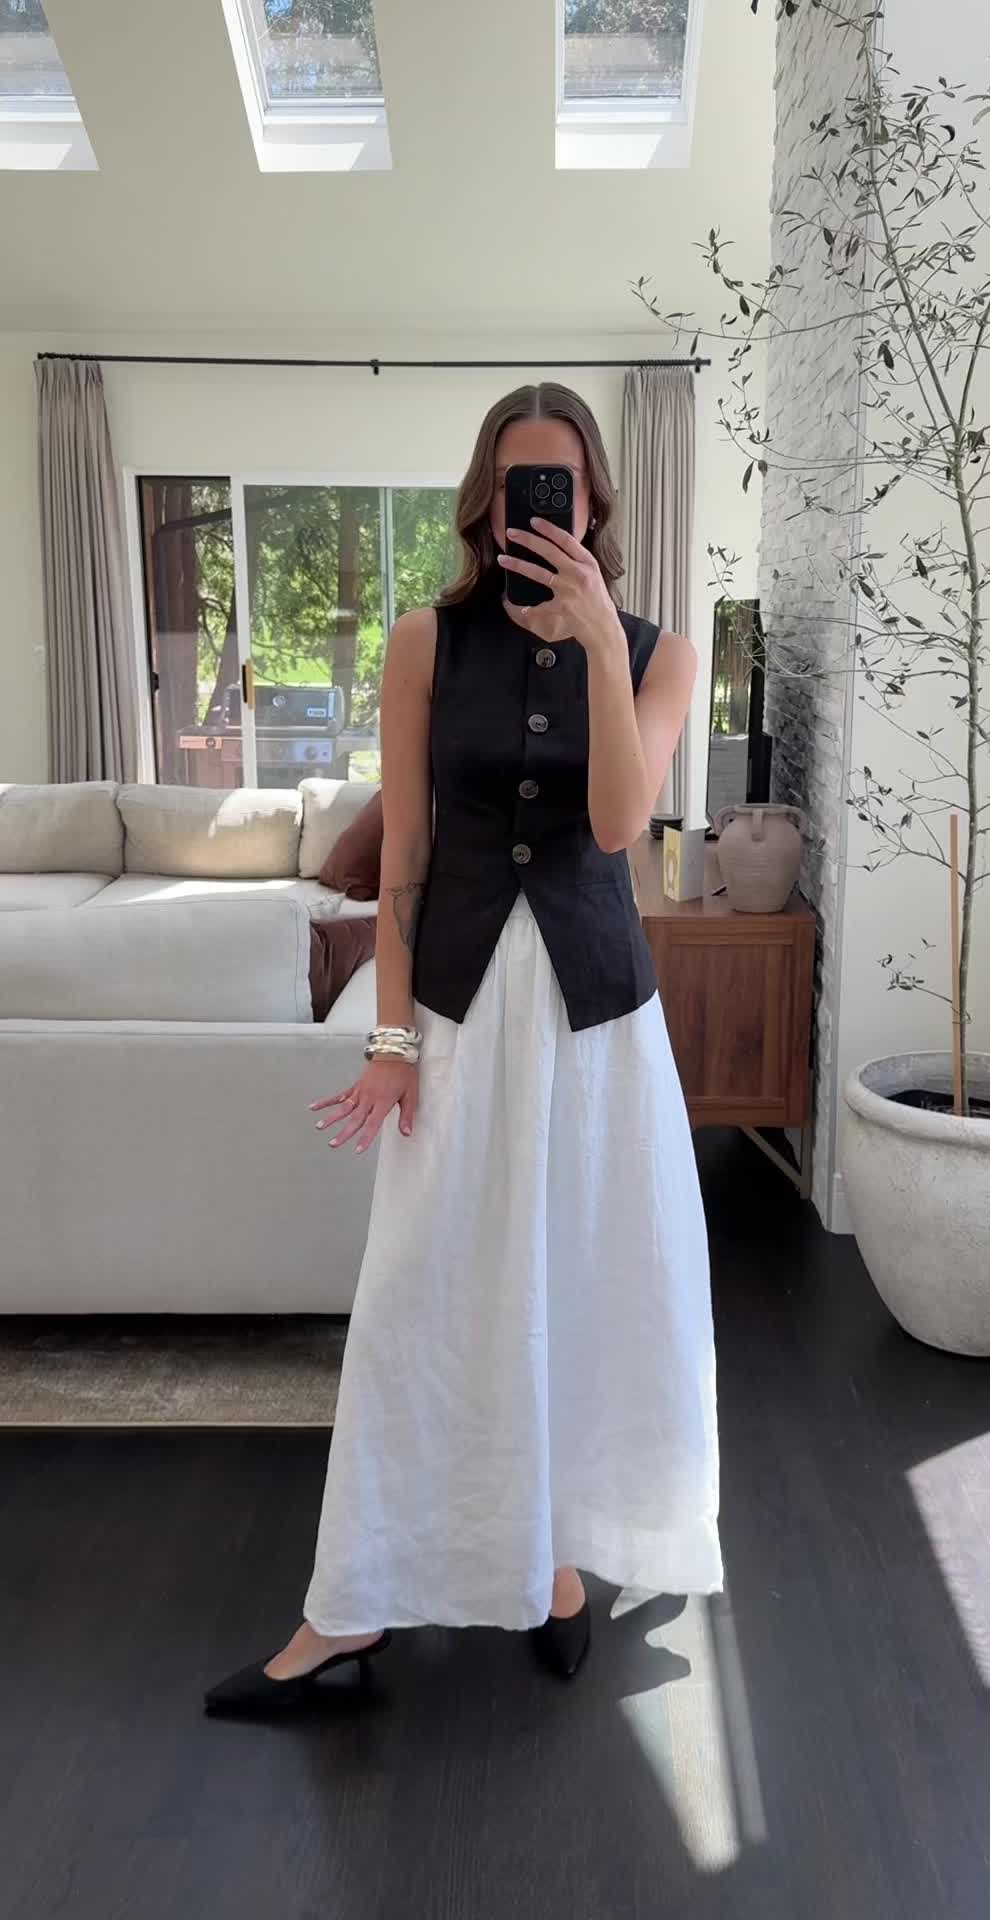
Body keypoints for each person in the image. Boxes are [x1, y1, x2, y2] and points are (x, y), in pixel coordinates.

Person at [204, 383, 724, 1714]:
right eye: (510, 485)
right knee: (420, 1297)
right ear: (482, 502)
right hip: (455, 1013)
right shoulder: (423, 640)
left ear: (594, 504)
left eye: (558, 486)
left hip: (597, 1028)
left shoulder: (661, 654)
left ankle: (555, 1563)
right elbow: (407, 858)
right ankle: (351, 1608)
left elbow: (618, 825)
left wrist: (597, 641)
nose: (531, 509)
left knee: (586, 1285)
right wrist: (389, 1040)